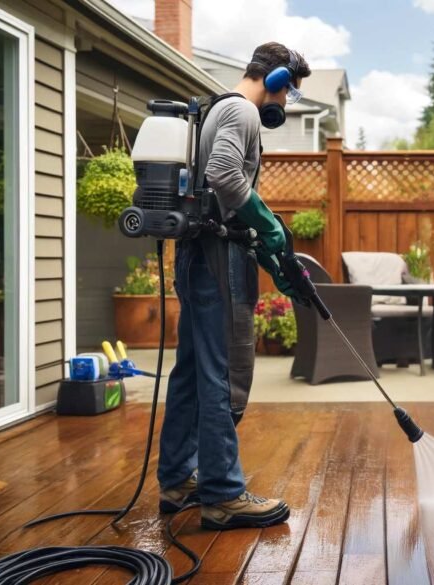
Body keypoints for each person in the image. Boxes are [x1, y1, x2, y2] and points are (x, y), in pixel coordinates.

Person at [156, 42, 311, 530]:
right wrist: (266, 224)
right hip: (216, 259)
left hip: (198, 254)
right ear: (277, 81)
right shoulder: (243, 112)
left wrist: (268, 241)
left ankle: (179, 479)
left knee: (191, 371)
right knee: (225, 372)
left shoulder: (217, 108)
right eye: (288, 95)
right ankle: (222, 495)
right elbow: (224, 173)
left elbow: (222, 187)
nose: (284, 107)